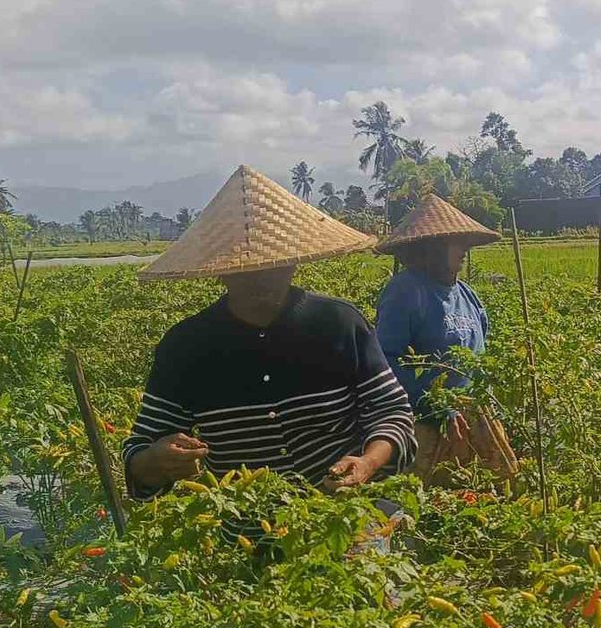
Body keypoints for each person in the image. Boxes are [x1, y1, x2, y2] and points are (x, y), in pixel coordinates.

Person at [123, 165, 416, 499]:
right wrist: (157, 461)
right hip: (247, 535)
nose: (259, 277)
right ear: (220, 270)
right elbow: (140, 453)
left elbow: (392, 412)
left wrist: (367, 463)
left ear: (293, 260)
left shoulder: (340, 324)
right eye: (243, 268)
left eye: (272, 264)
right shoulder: (186, 347)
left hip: (347, 519)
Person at [374, 194, 516, 483]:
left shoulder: (466, 294)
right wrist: (437, 406)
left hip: (473, 416)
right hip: (429, 421)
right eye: (455, 242)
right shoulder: (406, 291)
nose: (463, 250)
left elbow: (480, 354)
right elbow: (387, 360)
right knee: (432, 503)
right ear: (432, 246)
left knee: (494, 492)